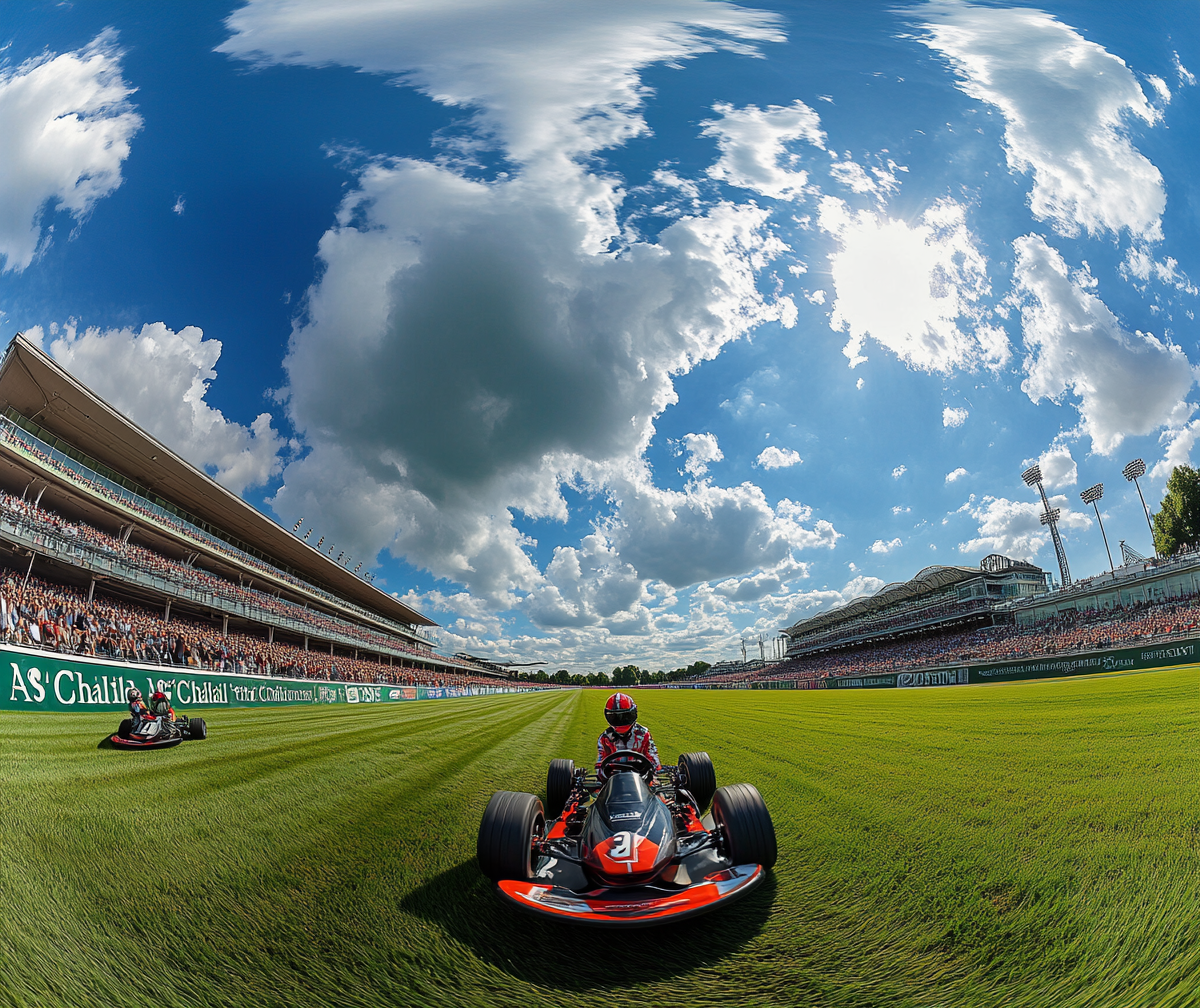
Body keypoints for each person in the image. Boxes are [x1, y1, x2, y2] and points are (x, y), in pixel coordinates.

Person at [596, 692, 660, 775]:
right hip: (614, 780)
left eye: (625, 716)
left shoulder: (644, 735)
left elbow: (653, 760)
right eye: (615, 717)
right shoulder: (605, 739)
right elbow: (601, 765)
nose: (620, 721)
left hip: (640, 780)